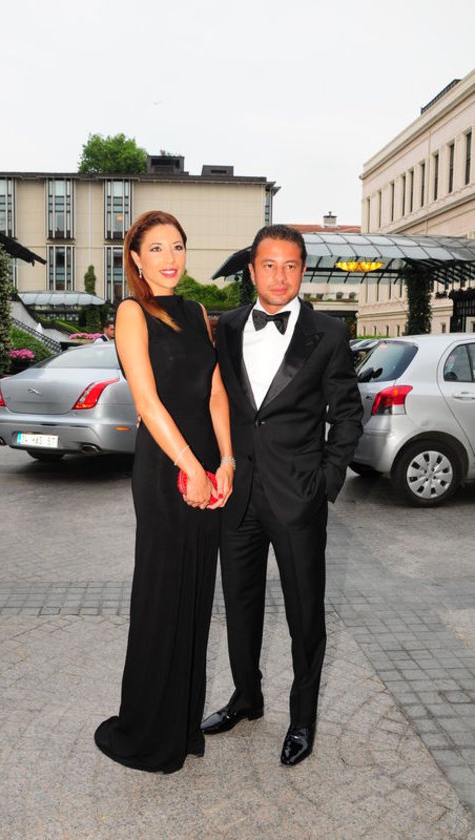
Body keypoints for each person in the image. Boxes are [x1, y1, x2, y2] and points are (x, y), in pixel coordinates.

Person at [201, 225, 363, 767]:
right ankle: (246, 698)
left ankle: (302, 718)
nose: (279, 276)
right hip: (237, 497)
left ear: (302, 270)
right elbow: (217, 401)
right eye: (269, 265)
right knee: (240, 605)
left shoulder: (329, 333)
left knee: (304, 615)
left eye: (290, 265)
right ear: (251, 270)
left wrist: (326, 482)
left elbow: (348, 416)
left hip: (299, 499)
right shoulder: (226, 326)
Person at [94, 210, 235, 773]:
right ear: (135, 258)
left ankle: (181, 724)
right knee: (162, 594)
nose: (170, 258)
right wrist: (192, 468)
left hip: (206, 466)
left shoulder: (197, 312)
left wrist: (225, 461)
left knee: (196, 594)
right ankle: (149, 729)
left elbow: (216, 393)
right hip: (165, 467)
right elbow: (147, 402)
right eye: (156, 248)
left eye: (177, 246)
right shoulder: (132, 312)